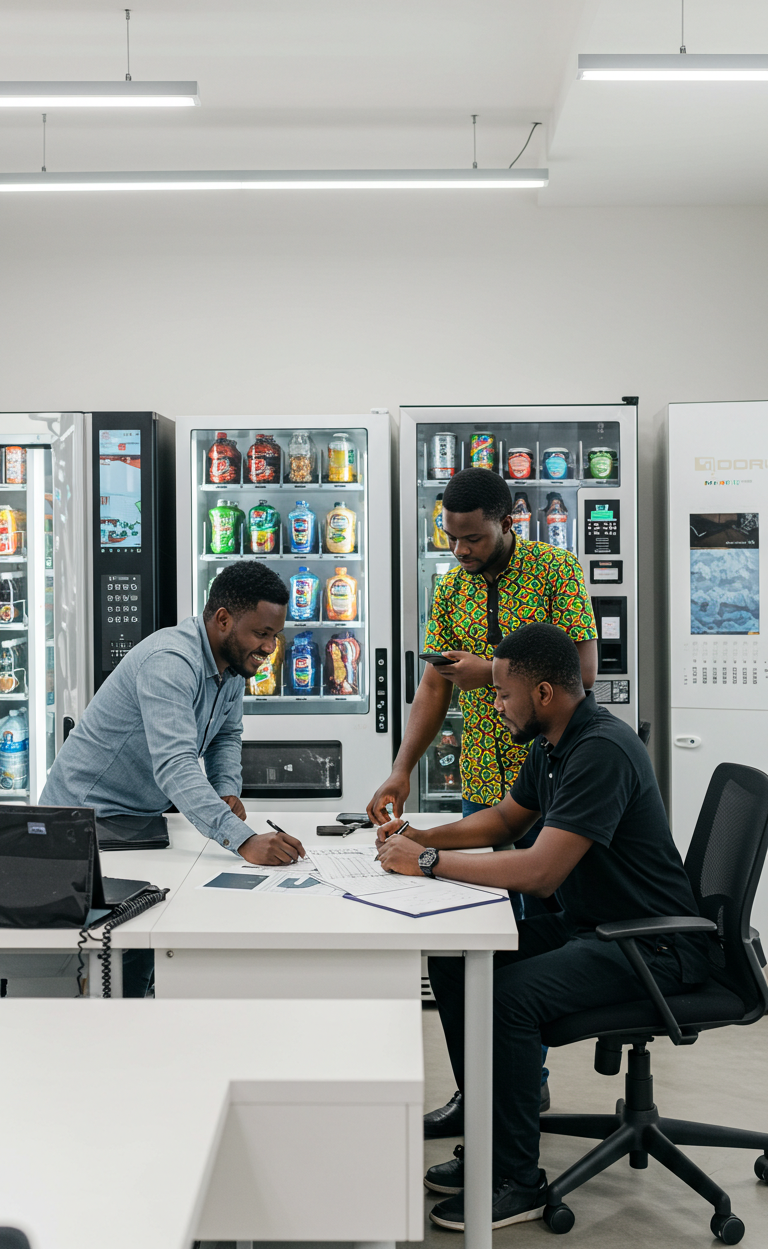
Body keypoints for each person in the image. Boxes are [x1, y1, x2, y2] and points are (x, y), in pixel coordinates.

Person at [375, 623, 712, 1232]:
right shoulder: (555, 741)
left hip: (653, 944)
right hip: (598, 926)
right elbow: (505, 821)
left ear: (546, 693)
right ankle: (488, 1136)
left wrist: (427, 864)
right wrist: (420, 836)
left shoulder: (600, 751)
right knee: (456, 960)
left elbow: (539, 872)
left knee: (508, 998)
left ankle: (517, 1180)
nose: (495, 704)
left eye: (503, 694)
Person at [368, 467, 597, 1130]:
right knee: (471, 931)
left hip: (551, 778)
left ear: (507, 522)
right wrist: (402, 769)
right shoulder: (449, 587)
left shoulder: (555, 570)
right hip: (483, 782)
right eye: (451, 537)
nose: (460, 551)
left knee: (533, 935)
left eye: (471, 538)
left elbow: (582, 670)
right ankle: (483, 1089)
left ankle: (523, 1083)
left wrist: (490, 669)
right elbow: (436, 687)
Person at [41, 560, 305, 993]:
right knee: (122, 939)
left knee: (149, 927)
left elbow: (227, 734)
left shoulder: (233, 664)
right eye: (262, 633)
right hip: (81, 821)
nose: (270, 647)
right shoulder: (170, 661)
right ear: (223, 620)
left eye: (274, 635)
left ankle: (138, 1008)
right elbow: (176, 764)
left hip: (134, 821)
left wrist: (225, 791)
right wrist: (243, 839)